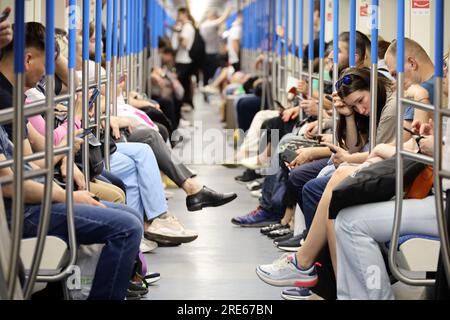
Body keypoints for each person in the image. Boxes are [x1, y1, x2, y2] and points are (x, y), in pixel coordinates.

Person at [0, 21, 141, 300]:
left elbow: (30, 161)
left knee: (131, 216)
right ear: (28, 59)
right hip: (21, 211)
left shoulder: (14, 96)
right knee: (128, 228)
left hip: (32, 196)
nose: (47, 73)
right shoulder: (6, 101)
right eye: (46, 62)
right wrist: (68, 197)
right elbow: (9, 182)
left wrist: (63, 159)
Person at [172, 7, 196, 108]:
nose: (178, 17)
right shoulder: (187, 27)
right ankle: (186, 103)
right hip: (184, 60)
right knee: (185, 83)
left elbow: (184, 44)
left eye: (179, 15)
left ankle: (184, 103)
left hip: (183, 60)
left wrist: (177, 33)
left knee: (182, 84)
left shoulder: (186, 27)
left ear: (185, 14)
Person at [200, 7, 231, 85]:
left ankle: (208, 90)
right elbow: (222, 20)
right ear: (212, 16)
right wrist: (229, 8)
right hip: (212, 55)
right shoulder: (209, 24)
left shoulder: (204, 25)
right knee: (216, 74)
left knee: (207, 76)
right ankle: (213, 89)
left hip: (207, 55)